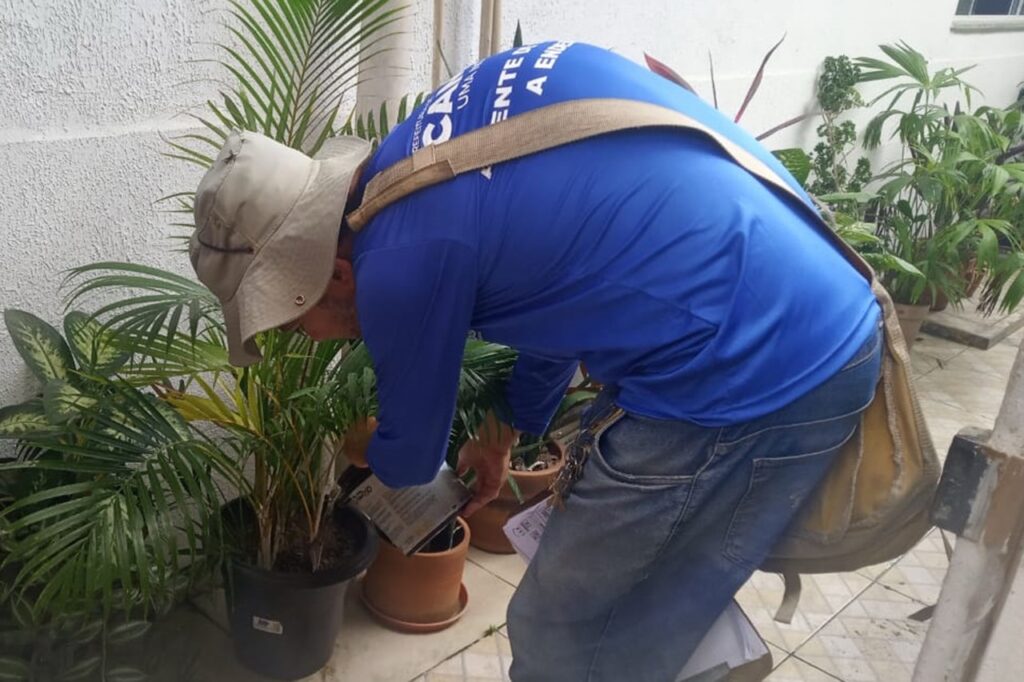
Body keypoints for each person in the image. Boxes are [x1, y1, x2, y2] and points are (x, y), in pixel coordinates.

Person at [189, 40, 881, 682]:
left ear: (333, 274)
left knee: (561, 632)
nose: (308, 339)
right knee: (644, 603)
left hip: (752, 365)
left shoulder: (394, 262)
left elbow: (408, 460)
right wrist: (508, 429)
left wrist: (359, 442)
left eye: (291, 318)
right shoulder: (417, 156)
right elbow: (560, 294)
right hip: (818, 301)